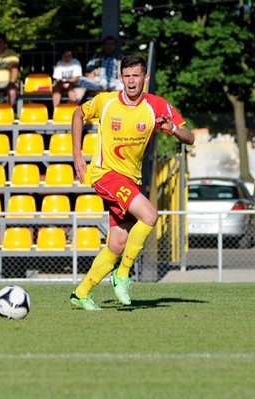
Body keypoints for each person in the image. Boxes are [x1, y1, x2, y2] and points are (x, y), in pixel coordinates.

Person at [69, 54, 194, 311]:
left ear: (145, 78)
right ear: (120, 78)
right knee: (149, 215)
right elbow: (77, 114)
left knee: (117, 242)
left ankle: (81, 293)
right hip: (105, 174)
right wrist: (77, 154)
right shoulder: (106, 102)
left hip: (131, 180)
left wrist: (172, 129)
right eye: (126, 76)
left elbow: (189, 136)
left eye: (136, 75)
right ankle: (123, 273)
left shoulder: (157, 105)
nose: (131, 81)